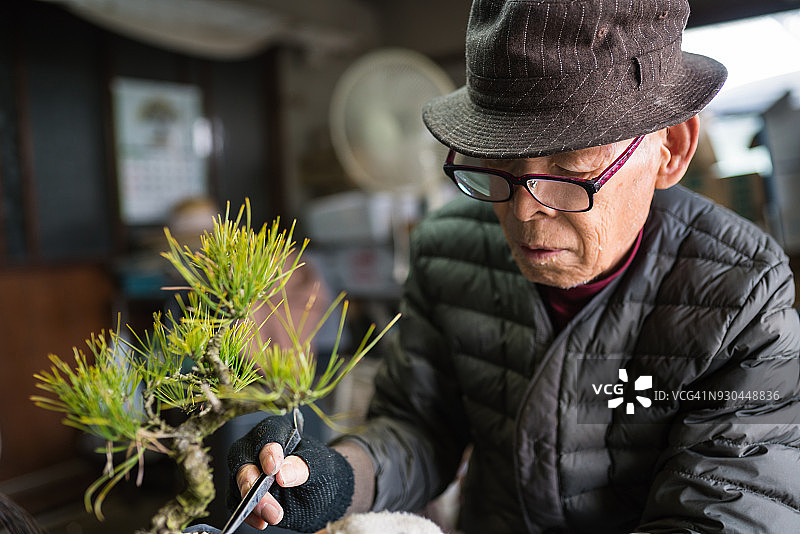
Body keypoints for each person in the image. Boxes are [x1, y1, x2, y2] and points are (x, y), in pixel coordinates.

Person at [227, 1, 800, 532]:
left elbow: (728, 508)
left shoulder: (741, 292)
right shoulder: (447, 250)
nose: (523, 211)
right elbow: (420, 429)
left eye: (570, 169)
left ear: (670, 148)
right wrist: (333, 476)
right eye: (497, 165)